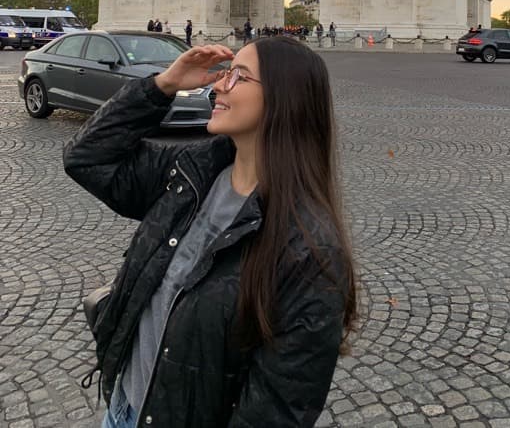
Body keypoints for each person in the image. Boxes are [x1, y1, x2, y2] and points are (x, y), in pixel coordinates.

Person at [63, 36, 356, 428]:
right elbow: (86, 158)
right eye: (225, 73)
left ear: (285, 101)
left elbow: (275, 412)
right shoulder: (189, 171)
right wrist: (163, 84)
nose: (218, 84)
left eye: (239, 77)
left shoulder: (310, 250)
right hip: (122, 409)